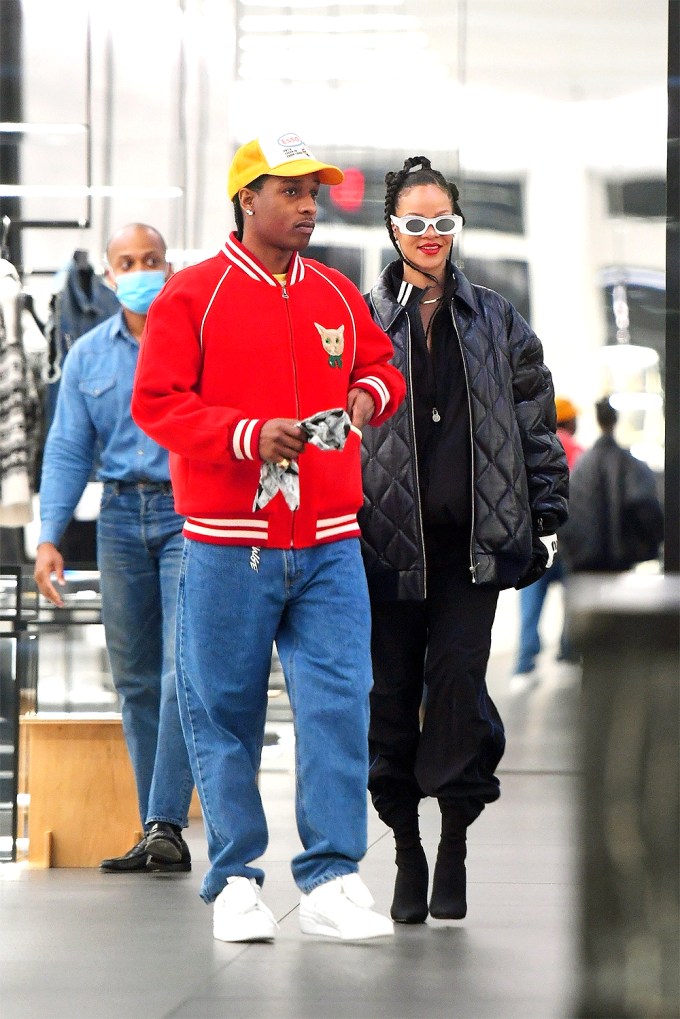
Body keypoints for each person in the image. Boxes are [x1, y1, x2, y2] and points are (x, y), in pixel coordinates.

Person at [131, 131, 406, 943]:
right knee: (224, 714)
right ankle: (234, 882)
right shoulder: (192, 295)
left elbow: (382, 365)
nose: (308, 206)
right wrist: (246, 434)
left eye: (313, 193)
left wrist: (364, 397)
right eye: (290, 191)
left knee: (338, 706)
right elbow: (158, 403)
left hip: (329, 542)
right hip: (227, 542)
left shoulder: (334, 292)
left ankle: (330, 876)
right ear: (247, 198)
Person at [359, 155, 569, 925]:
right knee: (389, 699)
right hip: (382, 550)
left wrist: (546, 516)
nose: (430, 236)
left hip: (470, 552)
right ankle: (405, 845)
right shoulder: (360, 320)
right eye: (415, 223)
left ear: (456, 226)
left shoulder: (500, 320)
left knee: (456, 689)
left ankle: (453, 840)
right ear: (392, 228)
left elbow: (535, 426)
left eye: (442, 222)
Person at [34, 223, 195, 874]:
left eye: (150, 259)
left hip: (190, 514)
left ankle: (164, 822)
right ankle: (156, 824)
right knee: (132, 678)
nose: (140, 271)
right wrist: (48, 535)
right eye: (127, 262)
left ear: (168, 264)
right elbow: (68, 448)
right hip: (120, 517)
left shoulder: (197, 344)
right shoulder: (87, 356)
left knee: (181, 671)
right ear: (109, 275)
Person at [512, 396, 585, 680]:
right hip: (568, 542)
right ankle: (568, 653)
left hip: (538, 537)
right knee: (572, 601)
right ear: (570, 422)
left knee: (530, 604)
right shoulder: (578, 451)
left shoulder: (534, 448)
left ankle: (524, 663)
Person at [559, 395, 664, 573]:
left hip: (584, 566)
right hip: (623, 564)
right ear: (615, 421)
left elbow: (567, 514)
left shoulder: (581, 466)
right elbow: (647, 508)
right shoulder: (632, 465)